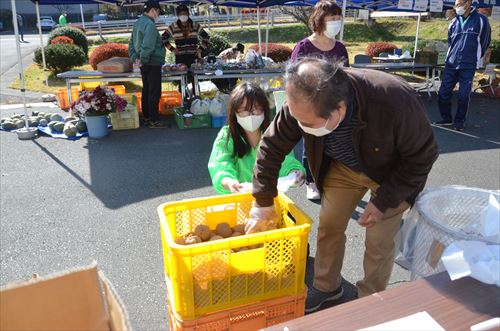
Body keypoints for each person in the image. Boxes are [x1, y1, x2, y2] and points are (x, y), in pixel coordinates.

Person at [247, 57, 438, 313]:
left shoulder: (393, 100)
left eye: (309, 124)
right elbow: (271, 146)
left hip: (391, 175)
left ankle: (371, 300)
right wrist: (262, 202)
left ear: (340, 110)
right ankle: (327, 287)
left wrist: (383, 202)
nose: (301, 127)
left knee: (379, 240)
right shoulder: (300, 99)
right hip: (344, 167)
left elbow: (423, 155)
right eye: (298, 120)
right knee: (329, 225)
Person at [291, 0, 349, 201]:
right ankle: (312, 181)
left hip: (336, 105)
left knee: (335, 141)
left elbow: (347, 76)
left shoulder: (340, 47)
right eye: (331, 18)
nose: (336, 22)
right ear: (319, 20)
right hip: (312, 106)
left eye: (338, 18)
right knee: (312, 143)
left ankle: (332, 179)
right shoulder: (304, 46)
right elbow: (294, 78)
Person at [208, 82, 305, 195]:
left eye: (257, 109)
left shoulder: (274, 134)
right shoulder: (227, 135)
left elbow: (285, 160)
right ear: (234, 113)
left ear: (265, 110)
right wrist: (229, 181)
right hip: (237, 198)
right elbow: (221, 163)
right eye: (244, 110)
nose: (251, 115)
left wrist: (293, 171)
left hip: (269, 197)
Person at [435, 0, 491, 131]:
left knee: (464, 95)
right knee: (443, 92)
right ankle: (446, 118)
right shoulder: (453, 22)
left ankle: (459, 122)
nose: (457, 7)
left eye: (459, 4)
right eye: (456, 4)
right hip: (451, 63)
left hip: (468, 64)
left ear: (468, 3)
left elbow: (485, 40)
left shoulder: (481, 19)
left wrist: (476, 57)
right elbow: (451, 42)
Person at [128, 0, 167, 129]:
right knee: (154, 92)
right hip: (152, 62)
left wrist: (136, 58)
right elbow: (148, 46)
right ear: (152, 10)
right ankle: (153, 120)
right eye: (158, 12)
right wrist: (143, 60)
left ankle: (146, 116)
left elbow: (131, 44)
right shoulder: (150, 25)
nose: (158, 15)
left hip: (143, 62)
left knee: (146, 90)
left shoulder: (138, 23)